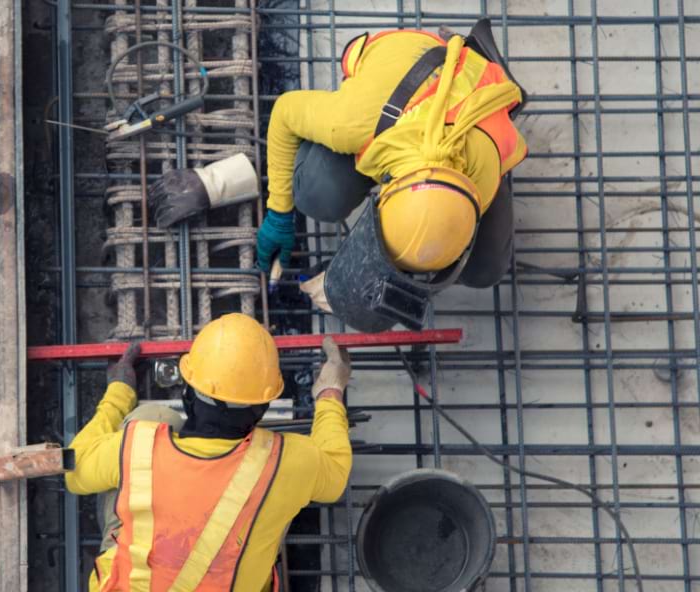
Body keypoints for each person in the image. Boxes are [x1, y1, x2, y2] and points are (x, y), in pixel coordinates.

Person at [149, 20, 526, 332]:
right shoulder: (355, 122)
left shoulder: (488, 166)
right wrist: (279, 211)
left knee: (485, 270)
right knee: (316, 194)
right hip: (405, 67)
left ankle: (483, 61)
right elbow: (284, 113)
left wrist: (353, 281)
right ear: (386, 191)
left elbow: (429, 242)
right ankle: (461, 49)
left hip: (475, 105)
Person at [66, 313, 353, 591]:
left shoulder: (137, 447)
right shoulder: (287, 461)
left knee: (152, 417)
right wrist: (330, 390)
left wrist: (119, 392)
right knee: (278, 490)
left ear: (187, 395)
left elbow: (74, 471)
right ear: (263, 408)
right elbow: (336, 474)